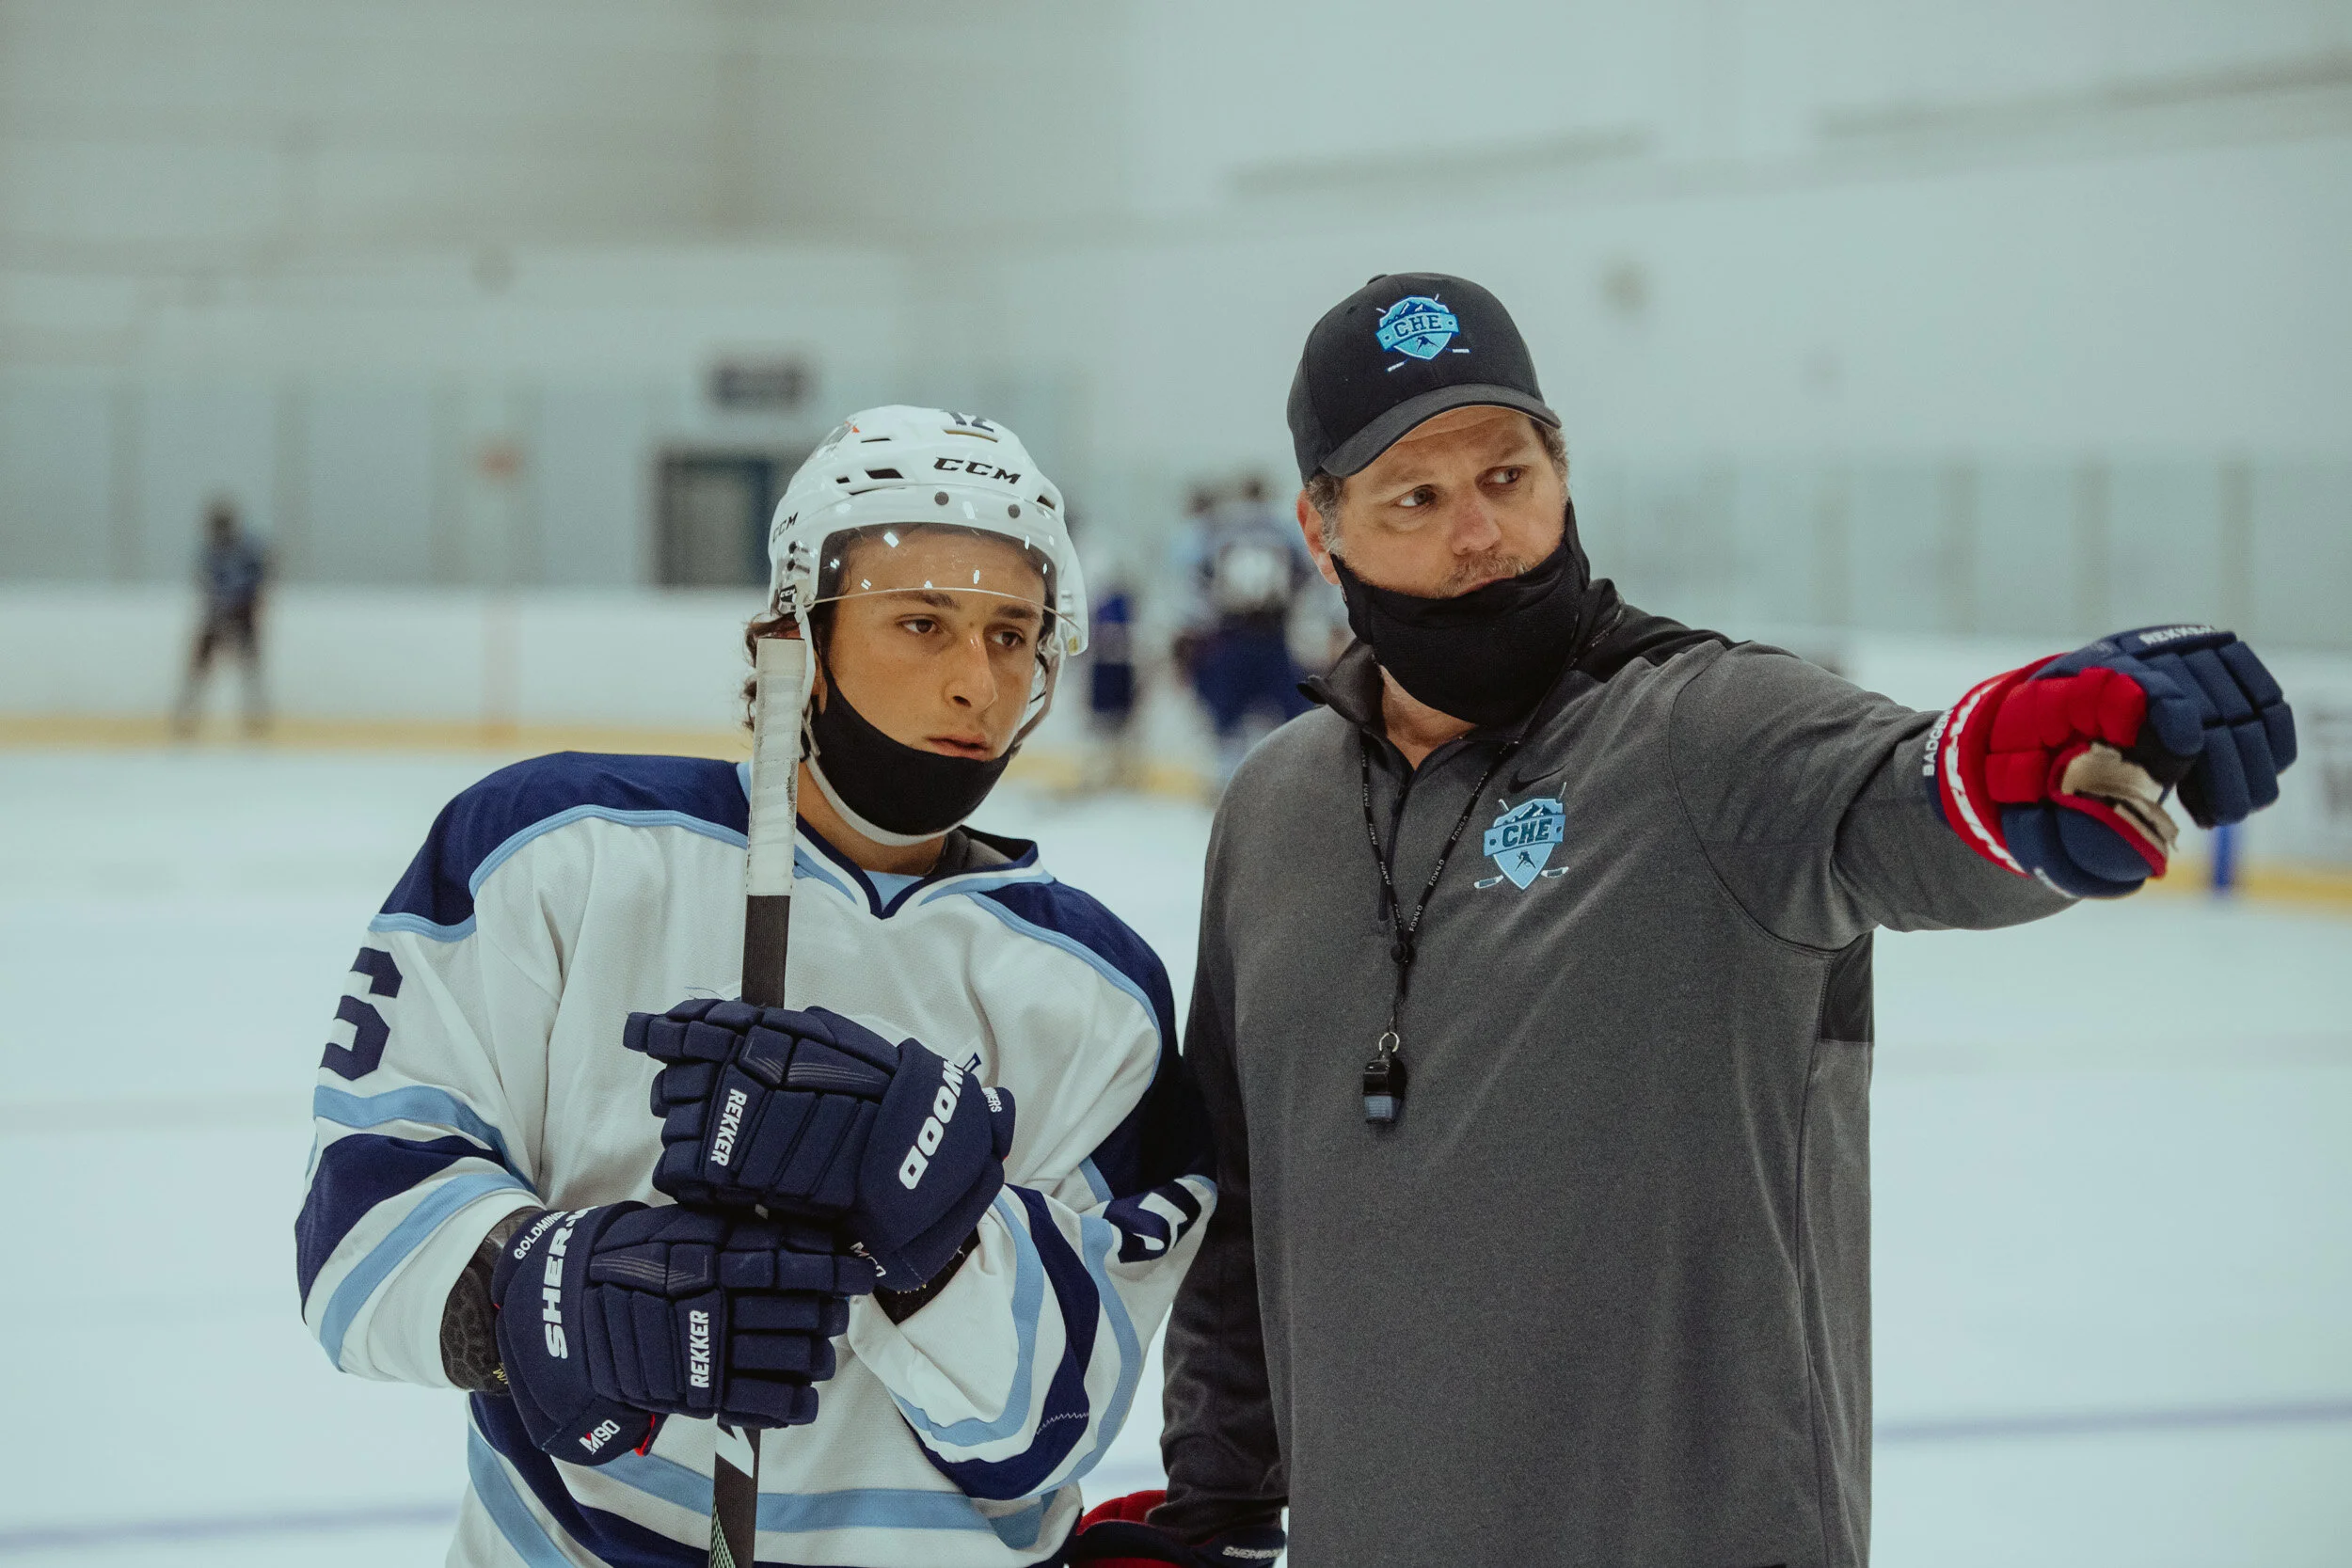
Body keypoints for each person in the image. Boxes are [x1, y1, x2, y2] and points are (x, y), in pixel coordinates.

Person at [1073, 275, 2298, 1567]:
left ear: (1562, 472)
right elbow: (1244, 1208)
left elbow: (1907, 800)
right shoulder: (1274, 808)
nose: (1480, 532)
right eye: (1415, 499)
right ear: (1323, 535)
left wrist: (2013, 766)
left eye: (1506, 475)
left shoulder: (1708, 731)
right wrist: (1219, 1501)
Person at [296, 406, 1215, 1568]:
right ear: (793, 636)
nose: (975, 682)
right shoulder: (553, 852)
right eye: (922, 622)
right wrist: (548, 1288)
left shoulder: (1100, 996)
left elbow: (1044, 1427)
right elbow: (356, 1237)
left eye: (1011, 633)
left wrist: (931, 1223)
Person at [1171, 476, 1318, 784]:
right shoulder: (1284, 530)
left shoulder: (1219, 531)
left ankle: (1229, 784)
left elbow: (1196, 581)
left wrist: (1194, 627)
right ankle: (1289, 780)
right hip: (1272, 632)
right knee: (1290, 713)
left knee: (1228, 717)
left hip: (1232, 633)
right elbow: (1307, 573)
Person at [171, 497, 269, 736]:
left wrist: (247, 605)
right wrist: (218, 610)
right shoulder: (209, 551)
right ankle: (188, 714)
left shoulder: (248, 548)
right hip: (216, 613)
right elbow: (206, 582)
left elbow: (261, 577)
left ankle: (255, 716)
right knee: (200, 665)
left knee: (249, 664)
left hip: (243, 612)